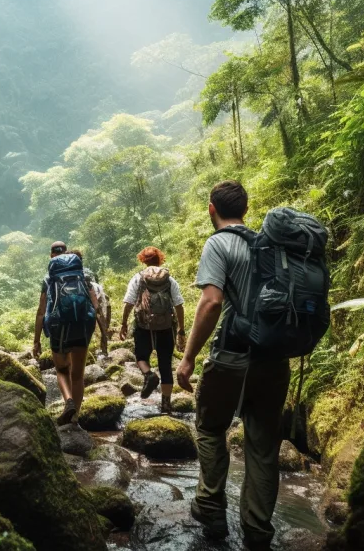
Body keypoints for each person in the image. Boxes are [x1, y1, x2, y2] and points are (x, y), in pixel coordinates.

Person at [175, 180, 290, 550]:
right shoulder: (269, 247)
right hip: (274, 359)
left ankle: (210, 509)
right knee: (262, 445)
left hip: (232, 356)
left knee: (210, 428)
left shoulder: (218, 243)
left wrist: (189, 358)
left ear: (212, 209)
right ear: (245, 208)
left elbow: (210, 303)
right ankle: (257, 533)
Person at [33, 242, 108, 425]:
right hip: (83, 323)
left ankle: (68, 401)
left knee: (62, 369)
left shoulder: (48, 278)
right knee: (78, 374)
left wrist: (36, 340)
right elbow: (96, 306)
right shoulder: (84, 274)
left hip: (59, 324)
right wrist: (103, 333)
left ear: (51, 255)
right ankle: (75, 419)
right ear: (66, 253)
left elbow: (41, 311)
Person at [118, 246, 187, 411]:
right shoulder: (169, 280)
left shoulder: (138, 278)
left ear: (143, 260)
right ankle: (166, 404)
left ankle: (149, 375)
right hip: (166, 327)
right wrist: (181, 330)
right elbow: (178, 305)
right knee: (165, 364)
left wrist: (124, 323)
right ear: (160, 259)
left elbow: (128, 303)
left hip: (144, 327)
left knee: (141, 357)